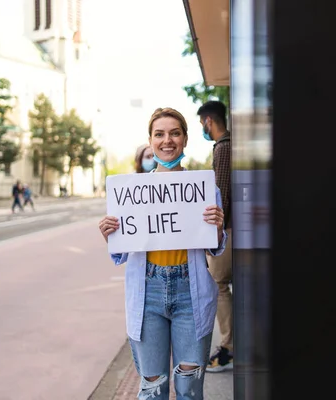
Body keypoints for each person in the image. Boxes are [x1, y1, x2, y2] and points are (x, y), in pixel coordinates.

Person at [98, 107, 227, 400]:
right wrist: (111, 233)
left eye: (174, 133)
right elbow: (121, 252)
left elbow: (215, 246)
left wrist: (218, 227)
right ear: (150, 140)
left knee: (189, 390)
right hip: (148, 294)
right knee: (153, 390)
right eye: (160, 134)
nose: (167, 140)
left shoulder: (204, 188)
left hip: (190, 295)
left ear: (184, 139)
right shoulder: (131, 191)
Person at [197, 100, 234, 372]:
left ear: (209, 121)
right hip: (235, 226)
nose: (203, 129)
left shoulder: (222, 148)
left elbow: (221, 197)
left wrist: (215, 233)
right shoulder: (233, 144)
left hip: (229, 228)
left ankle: (229, 347)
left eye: (202, 124)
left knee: (219, 283)